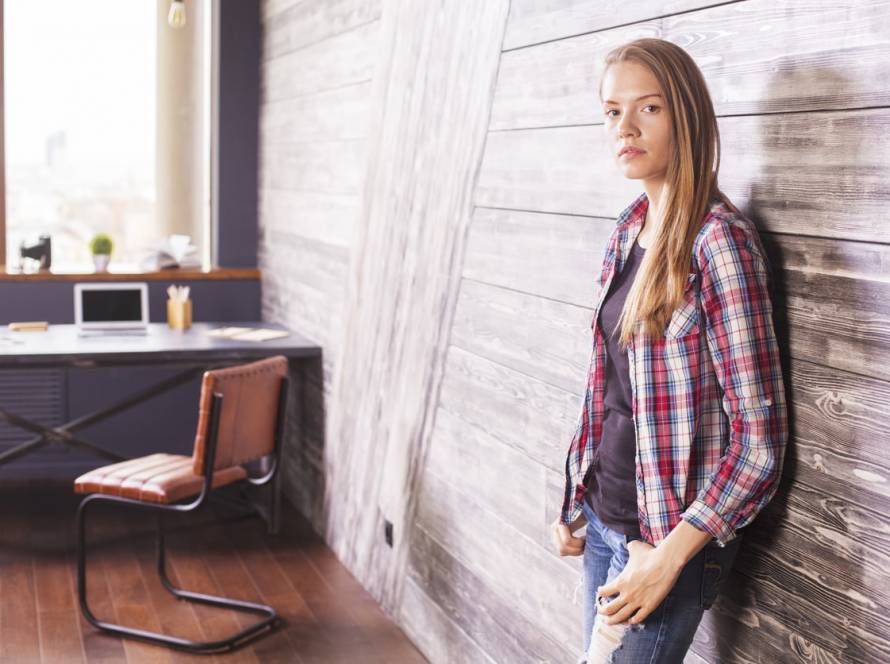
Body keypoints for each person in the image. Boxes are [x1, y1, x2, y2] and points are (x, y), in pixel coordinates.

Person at [548, 38, 789, 663]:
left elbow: (759, 442)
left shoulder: (719, 244)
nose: (624, 128)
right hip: (604, 516)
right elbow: (609, 389)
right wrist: (576, 494)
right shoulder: (627, 229)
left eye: (647, 108)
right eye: (611, 111)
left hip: (665, 543)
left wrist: (669, 557)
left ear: (684, 116)